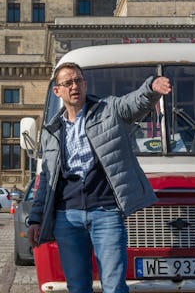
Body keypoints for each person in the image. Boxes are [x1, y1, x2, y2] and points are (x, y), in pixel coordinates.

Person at [27, 62, 171, 293]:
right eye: (68, 83)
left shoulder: (108, 110)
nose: (74, 86)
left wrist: (151, 87)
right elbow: (47, 178)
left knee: (114, 285)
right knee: (77, 286)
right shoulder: (51, 130)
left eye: (78, 81)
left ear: (85, 84)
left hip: (106, 212)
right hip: (68, 217)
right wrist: (35, 219)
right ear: (58, 91)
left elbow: (134, 103)